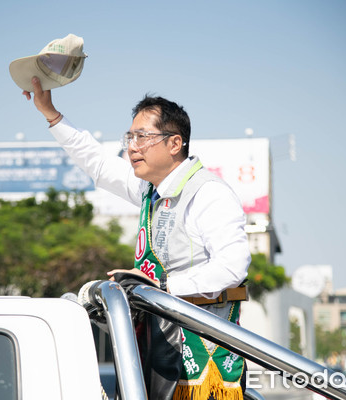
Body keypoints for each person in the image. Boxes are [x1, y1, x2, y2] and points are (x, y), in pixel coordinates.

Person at [24, 77, 251, 400]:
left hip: (201, 356)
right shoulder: (150, 190)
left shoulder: (208, 192)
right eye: (129, 137)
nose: (131, 147)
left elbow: (232, 266)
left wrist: (162, 289)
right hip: (158, 340)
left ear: (175, 143)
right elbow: (99, 166)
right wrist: (52, 115)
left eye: (142, 137)